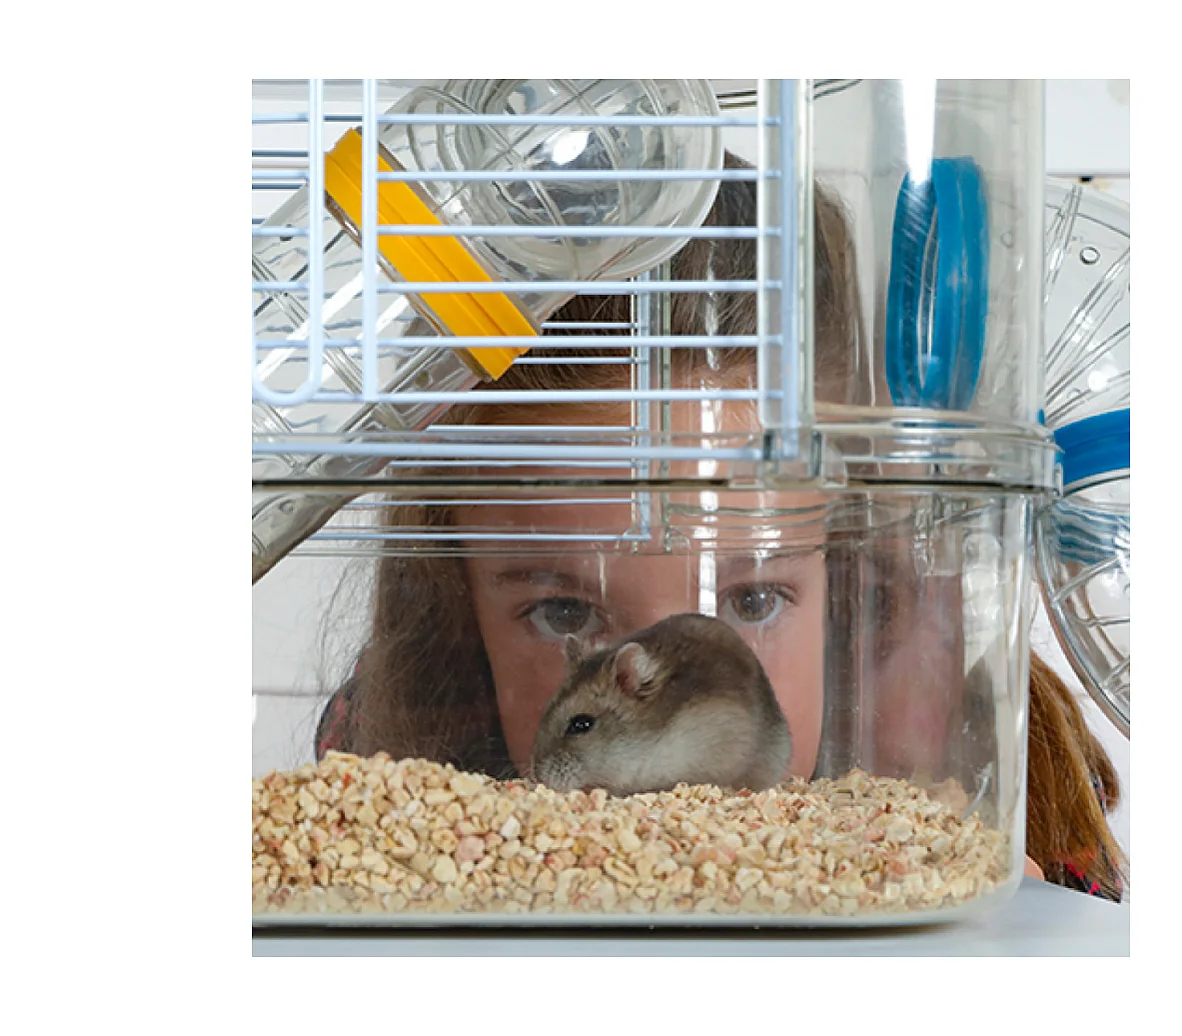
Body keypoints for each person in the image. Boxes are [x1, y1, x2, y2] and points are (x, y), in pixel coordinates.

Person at [313, 154, 1127, 901]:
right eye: (563, 611)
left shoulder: (1001, 802)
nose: (666, 784)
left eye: (754, 600)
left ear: (860, 585)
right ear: (455, 599)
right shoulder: (374, 783)